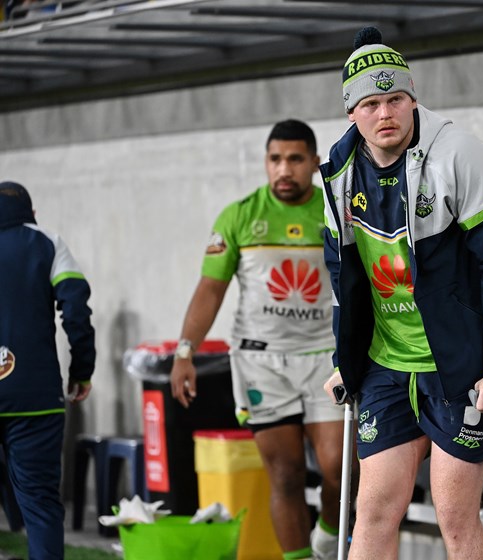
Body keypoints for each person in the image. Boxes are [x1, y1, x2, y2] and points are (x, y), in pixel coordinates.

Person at [321, 27, 483, 560]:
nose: (385, 113)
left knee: (454, 516)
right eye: (371, 104)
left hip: (459, 366)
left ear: (413, 98)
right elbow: (344, 280)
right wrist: (346, 360)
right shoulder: (339, 174)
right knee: (372, 512)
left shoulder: (459, 154)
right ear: (351, 112)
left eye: (395, 99)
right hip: (386, 366)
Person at [170, 120, 345, 560]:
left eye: (295, 159)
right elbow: (210, 290)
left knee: (341, 470)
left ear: (314, 163)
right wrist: (185, 352)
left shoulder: (336, 210)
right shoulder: (240, 216)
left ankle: (328, 533)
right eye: (275, 159)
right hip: (261, 363)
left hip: (327, 359)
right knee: (285, 475)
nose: (284, 169)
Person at [0, 180, 96, 560]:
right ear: (33, 214)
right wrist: (82, 370)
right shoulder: (48, 242)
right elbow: (76, 312)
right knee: (40, 503)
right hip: (35, 397)